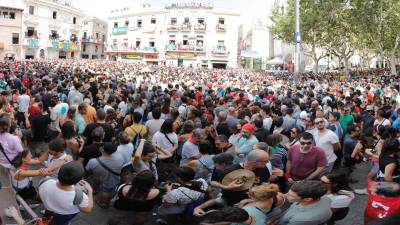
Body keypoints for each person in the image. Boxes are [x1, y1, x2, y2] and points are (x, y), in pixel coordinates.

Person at [85, 142, 125, 208]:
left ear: (103, 150)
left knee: (106, 191)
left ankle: (104, 203)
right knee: (108, 188)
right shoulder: (120, 157)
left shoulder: (93, 161)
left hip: (104, 180)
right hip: (115, 178)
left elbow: (87, 170)